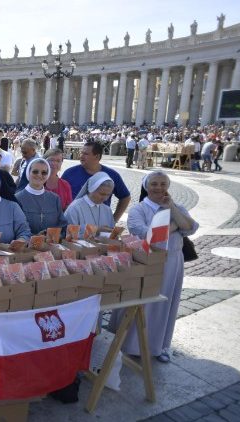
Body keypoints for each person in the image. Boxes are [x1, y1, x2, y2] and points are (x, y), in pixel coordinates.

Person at [113, 171, 198, 363]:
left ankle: (158, 346)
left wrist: (172, 208)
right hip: (148, 262)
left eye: (163, 184)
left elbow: (191, 227)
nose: (159, 188)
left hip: (173, 262)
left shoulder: (177, 207)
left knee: (165, 304)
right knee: (143, 305)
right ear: (146, 186)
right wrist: (175, 227)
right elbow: (147, 235)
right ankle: (132, 345)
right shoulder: (139, 210)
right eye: (154, 184)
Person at [61, 141, 131, 222]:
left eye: (86, 154)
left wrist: (114, 220)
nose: (81, 156)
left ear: (97, 156)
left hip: (100, 220)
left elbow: (125, 197)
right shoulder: (69, 173)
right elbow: (61, 197)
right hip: (75, 220)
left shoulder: (112, 175)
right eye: (81, 153)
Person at [15, 158, 68, 235]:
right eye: (35, 172)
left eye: (44, 173)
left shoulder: (54, 199)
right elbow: (16, 229)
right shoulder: (18, 198)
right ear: (28, 173)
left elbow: (62, 226)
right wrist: (37, 238)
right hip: (27, 245)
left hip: (52, 244)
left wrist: (55, 236)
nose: (39, 175)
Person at [63, 172, 116, 237]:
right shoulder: (75, 208)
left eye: (108, 195)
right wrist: (95, 230)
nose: (105, 199)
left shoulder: (107, 210)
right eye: (102, 194)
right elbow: (68, 235)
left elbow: (111, 234)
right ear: (91, 189)